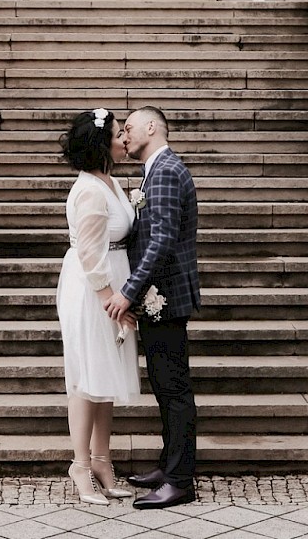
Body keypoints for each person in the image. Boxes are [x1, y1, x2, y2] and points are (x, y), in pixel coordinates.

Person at [105, 105, 200, 510]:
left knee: (173, 388)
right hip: (160, 297)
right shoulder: (158, 169)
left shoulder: (163, 172)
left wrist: (127, 292)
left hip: (166, 297)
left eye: (128, 129)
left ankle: (179, 481)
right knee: (165, 385)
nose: (124, 137)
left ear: (150, 128)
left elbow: (160, 240)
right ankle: (169, 465)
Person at [56, 107, 140, 504]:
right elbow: (89, 253)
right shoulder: (89, 189)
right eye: (118, 135)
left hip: (113, 283)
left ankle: (103, 460)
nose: (125, 140)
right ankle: (80, 465)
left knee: (104, 377)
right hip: (94, 292)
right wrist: (112, 301)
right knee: (87, 378)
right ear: (101, 144)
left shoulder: (108, 182)